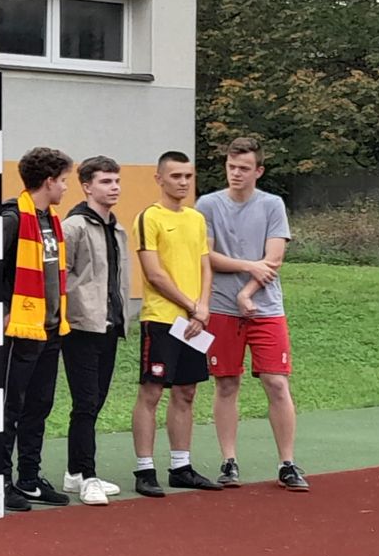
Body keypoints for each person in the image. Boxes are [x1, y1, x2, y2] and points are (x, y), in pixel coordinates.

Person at [197, 137, 310, 492]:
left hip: (266, 309)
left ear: (258, 171)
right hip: (221, 307)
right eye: (231, 167)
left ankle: (287, 463)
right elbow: (207, 256)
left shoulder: (272, 205)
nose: (236, 173)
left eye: (244, 168)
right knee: (226, 382)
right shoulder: (208, 204)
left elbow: (273, 260)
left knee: (276, 382)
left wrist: (247, 292)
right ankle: (229, 461)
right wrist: (248, 266)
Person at [131, 150, 221, 497]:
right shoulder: (149, 217)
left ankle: (181, 466)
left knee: (187, 391)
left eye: (187, 176)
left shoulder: (196, 219)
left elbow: (205, 266)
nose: (183, 182)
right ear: (159, 179)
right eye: (175, 176)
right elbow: (154, 274)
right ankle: (144, 469)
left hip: (194, 322)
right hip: (161, 319)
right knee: (152, 391)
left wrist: (203, 307)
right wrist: (191, 306)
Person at [0, 146, 75, 512]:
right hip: (20, 330)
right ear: (49, 181)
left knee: (39, 406)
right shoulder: (12, 217)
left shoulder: (51, 220)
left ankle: (29, 477)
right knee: (10, 406)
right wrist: (0, 312)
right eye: (64, 181)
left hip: (51, 329)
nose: (66, 188)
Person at [60, 156, 131, 507]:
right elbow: (61, 275)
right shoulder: (73, 227)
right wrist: (74, 310)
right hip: (81, 327)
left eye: (116, 181)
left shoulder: (117, 229)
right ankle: (88, 476)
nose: (114, 187)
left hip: (109, 325)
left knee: (96, 401)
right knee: (85, 402)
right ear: (87, 186)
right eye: (106, 181)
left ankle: (75, 471)